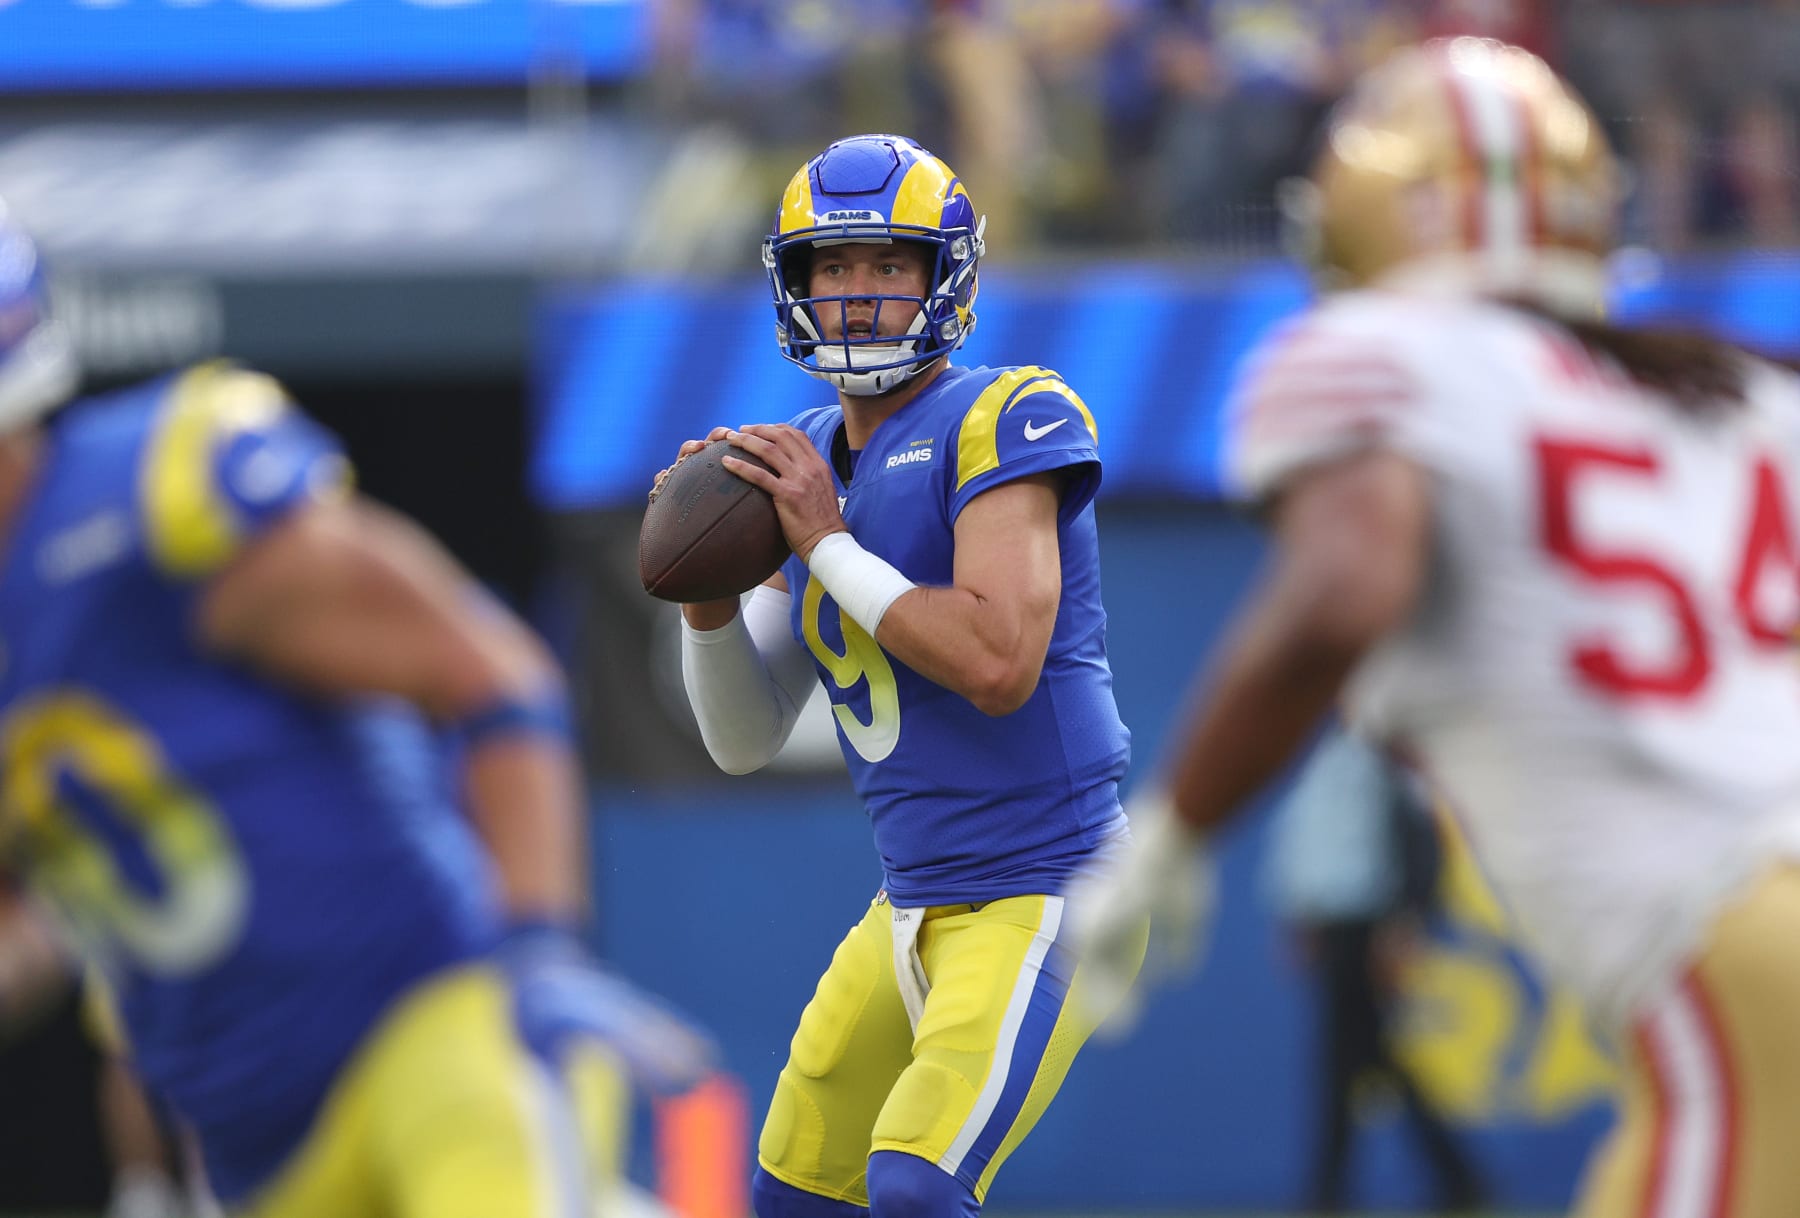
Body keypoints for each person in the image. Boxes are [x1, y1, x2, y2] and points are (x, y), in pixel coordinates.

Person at [1073, 36, 1800, 1218]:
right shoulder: (1745, 392)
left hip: (1743, 964)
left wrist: (1167, 837)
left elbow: (1346, 590)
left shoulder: (1378, 354)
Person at [0, 204, 714, 1216]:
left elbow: (489, 672)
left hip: (429, 1030)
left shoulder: (137, 507)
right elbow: (43, 922)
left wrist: (536, 951)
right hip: (255, 1152)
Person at [655, 132, 1144, 1218]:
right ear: (797, 287)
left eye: (888, 264)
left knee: (916, 1187)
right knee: (793, 1197)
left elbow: (998, 660)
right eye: (834, 268)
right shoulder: (799, 456)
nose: (860, 295)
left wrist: (824, 544)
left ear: (944, 277)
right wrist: (708, 602)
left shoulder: (1008, 414)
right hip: (910, 900)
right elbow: (743, 738)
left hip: (1047, 884)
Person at [1264, 724, 1482, 1214]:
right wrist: (1301, 916)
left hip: (1371, 927)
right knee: (1366, 1055)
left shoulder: (1386, 756)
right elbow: (1313, 842)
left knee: (1347, 1057)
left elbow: (1422, 838)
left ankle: (1332, 1191)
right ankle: (1457, 1177)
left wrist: (1406, 920)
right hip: (1336, 925)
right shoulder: (1321, 753)